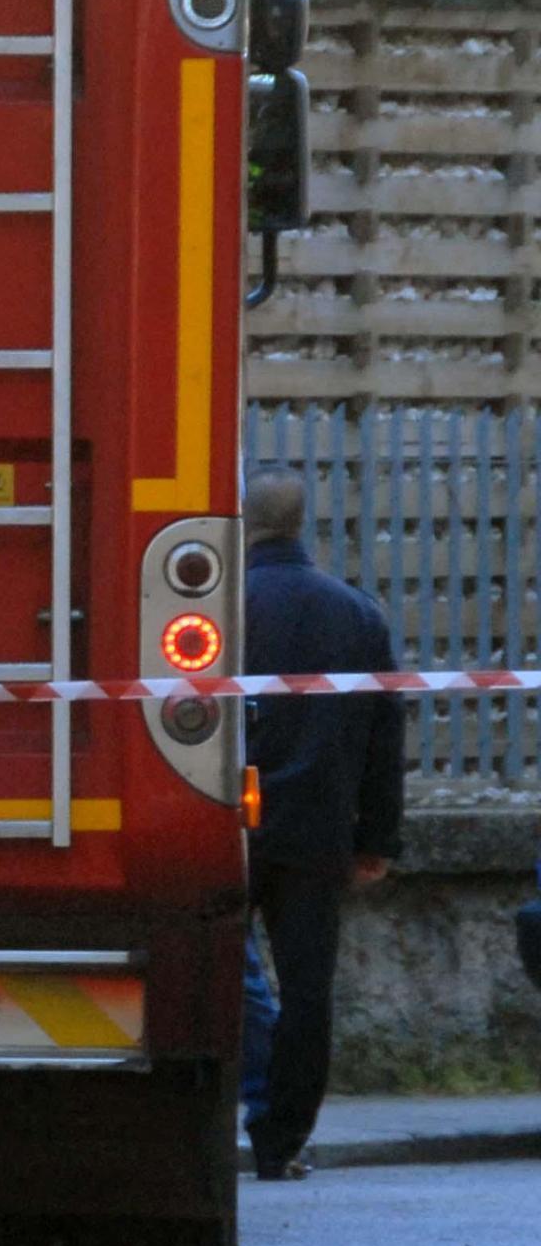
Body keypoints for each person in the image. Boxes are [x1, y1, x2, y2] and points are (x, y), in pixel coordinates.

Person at [240, 473, 405, 1182]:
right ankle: (282, 1140)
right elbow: (384, 734)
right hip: (319, 829)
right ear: (303, 523)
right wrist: (378, 839)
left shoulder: (223, 608)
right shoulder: (357, 614)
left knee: (210, 970)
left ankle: (202, 1115)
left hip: (227, 820)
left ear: (243, 523)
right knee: (309, 989)